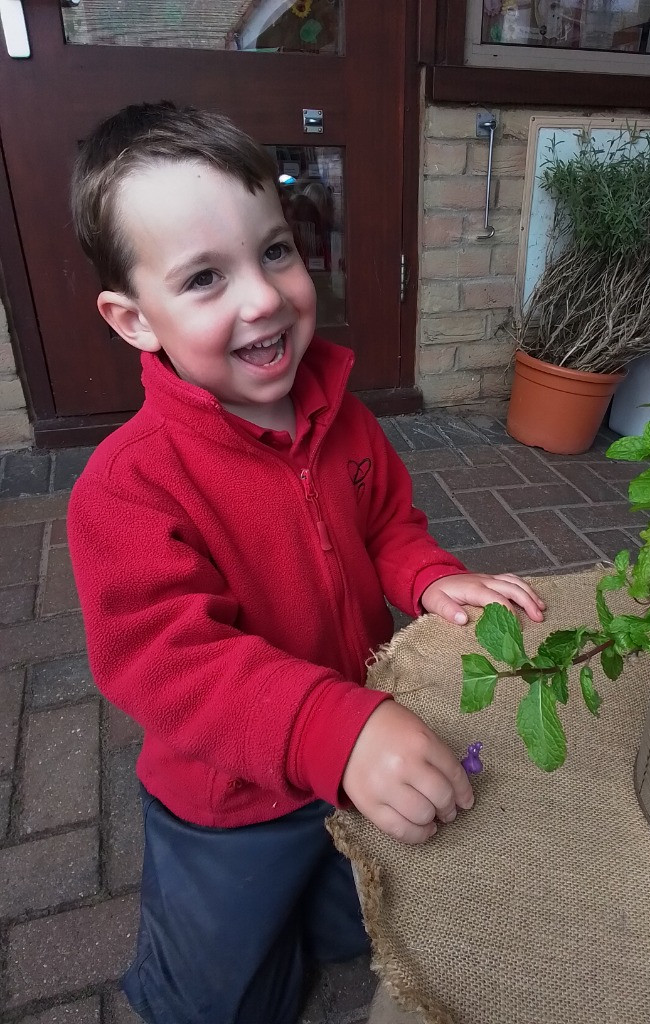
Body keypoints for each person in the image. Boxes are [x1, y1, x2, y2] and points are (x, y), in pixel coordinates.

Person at [67, 101, 546, 1024]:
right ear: (133, 319)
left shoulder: (340, 410)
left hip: (355, 743)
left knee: (361, 911)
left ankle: (323, 917)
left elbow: (386, 526)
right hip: (229, 801)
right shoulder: (128, 489)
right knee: (223, 999)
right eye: (206, 277)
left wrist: (425, 576)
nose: (262, 297)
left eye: (274, 252)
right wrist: (336, 730)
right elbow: (167, 664)